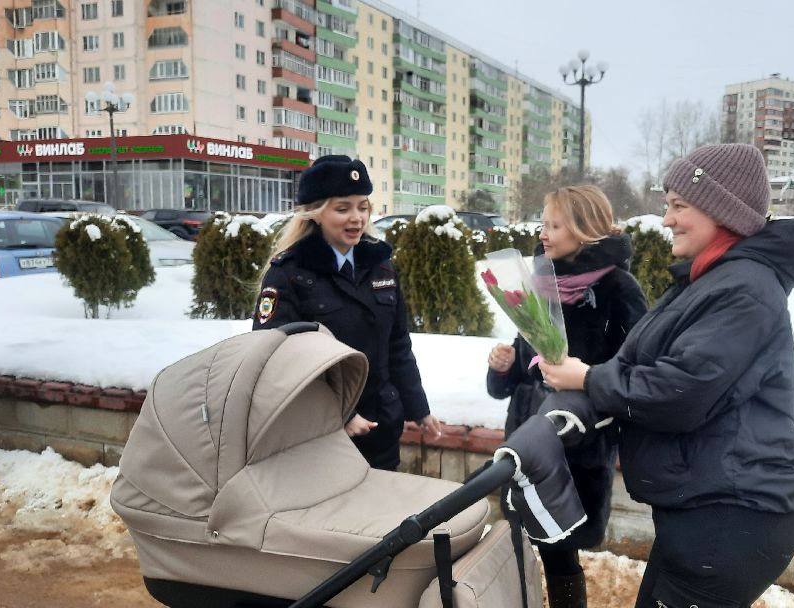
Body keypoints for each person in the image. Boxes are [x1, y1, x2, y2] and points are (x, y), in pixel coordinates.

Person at [539, 144, 794, 608]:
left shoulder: (744, 288)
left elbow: (679, 390)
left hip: (731, 516)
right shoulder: (711, 279)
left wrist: (589, 380)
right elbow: (645, 366)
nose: (666, 219)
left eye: (679, 206)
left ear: (721, 211)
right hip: (705, 508)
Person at [486, 185, 647, 608]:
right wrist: (501, 366)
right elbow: (525, 369)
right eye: (543, 223)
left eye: (555, 224)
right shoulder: (537, 281)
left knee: (561, 548)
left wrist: (582, 378)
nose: (544, 233)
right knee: (522, 537)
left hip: (577, 443)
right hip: (526, 432)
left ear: (585, 229)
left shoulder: (618, 289)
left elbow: (636, 371)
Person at [252, 154, 441, 471]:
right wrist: (339, 414)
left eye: (362, 206)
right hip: (319, 438)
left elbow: (397, 346)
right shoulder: (289, 275)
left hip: (381, 429)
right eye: (343, 208)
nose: (357, 218)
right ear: (316, 213)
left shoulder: (381, 268)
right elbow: (277, 361)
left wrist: (418, 408)